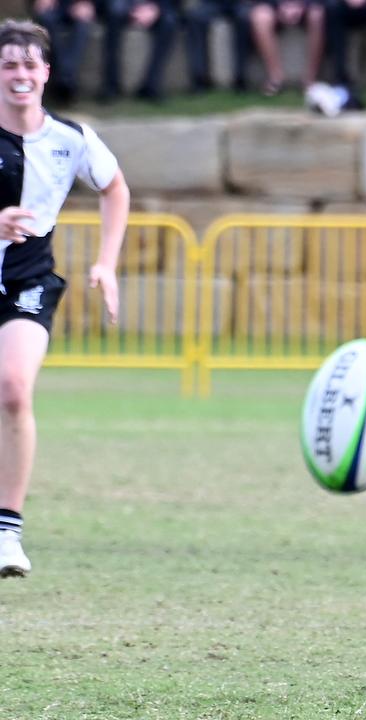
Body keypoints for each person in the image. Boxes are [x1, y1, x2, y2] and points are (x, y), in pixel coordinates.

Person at [0, 19, 129, 578]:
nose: (19, 74)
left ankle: (7, 532)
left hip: (28, 284)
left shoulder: (71, 139)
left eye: (29, 64)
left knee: (13, 389)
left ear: (46, 73)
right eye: (8, 64)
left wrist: (107, 262)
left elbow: (115, 188)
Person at [99, 0, 179, 102]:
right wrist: (133, 8)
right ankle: (110, 85)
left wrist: (155, 8)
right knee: (114, 13)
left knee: (169, 22)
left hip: (154, 5)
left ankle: (151, 85)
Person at [246, 0, 326, 96]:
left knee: (317, 15)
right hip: (273, 4)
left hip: (307, 4)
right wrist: (280, 5)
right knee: (260, 17)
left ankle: (310, 79)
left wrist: (301, 5)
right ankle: (276, 78)